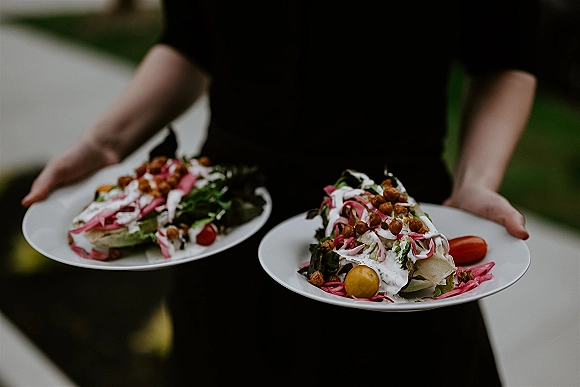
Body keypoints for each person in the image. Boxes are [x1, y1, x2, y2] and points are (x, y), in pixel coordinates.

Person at [22, 1, 538, 385]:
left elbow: (504, 54)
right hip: (230, 222)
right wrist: (102, 143)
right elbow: (188, 41)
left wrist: (476, 181)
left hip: (400, 223)